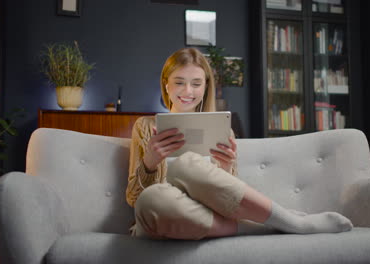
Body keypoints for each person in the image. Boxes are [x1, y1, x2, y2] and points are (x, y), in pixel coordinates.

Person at [126, 47, 353, 240]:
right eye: (179, 82)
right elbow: (134, 199)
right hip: (159, 217)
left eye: (196, 83)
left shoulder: (222, 128)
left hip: (206, 215)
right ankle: (263, 227)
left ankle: (293, 223)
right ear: (166, 85)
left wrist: (226, 167)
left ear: (205, 87)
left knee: (187, 163)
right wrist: (150, 162)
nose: (188, 91)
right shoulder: (146, 127)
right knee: (150, 200)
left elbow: (229, 198)